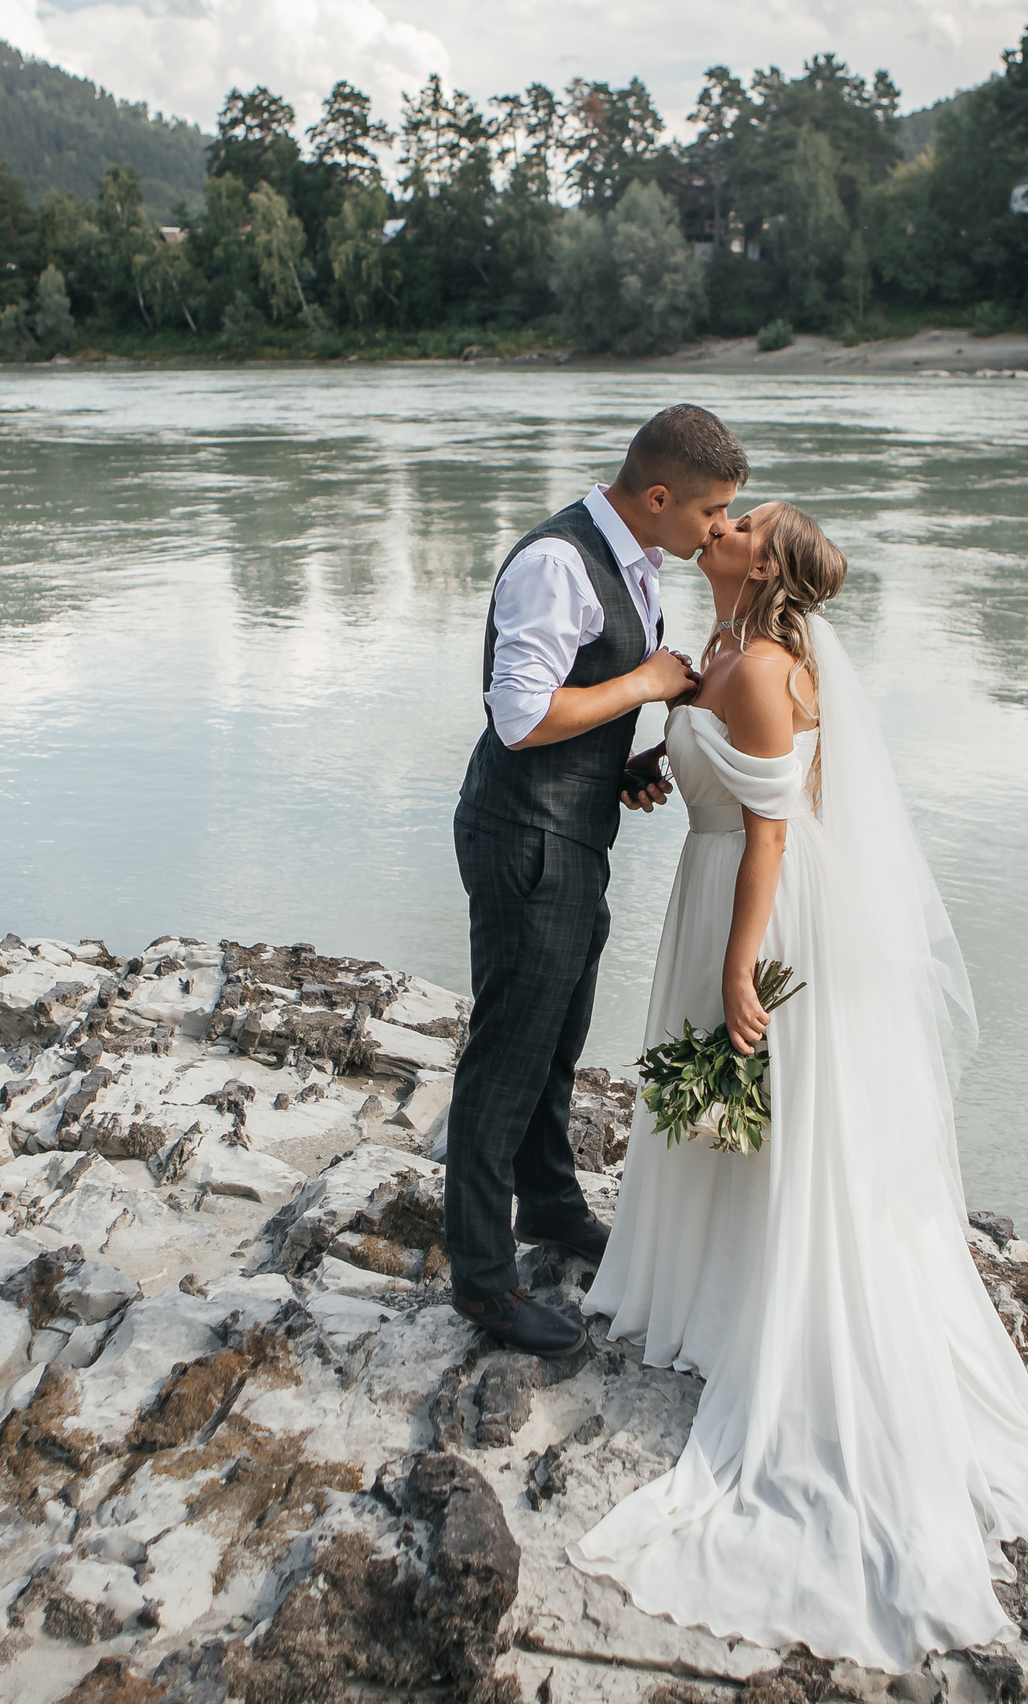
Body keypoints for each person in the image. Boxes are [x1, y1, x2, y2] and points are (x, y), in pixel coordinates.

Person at [573, 501, 1028, 1670]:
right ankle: (708, 1288)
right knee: (724, 1110)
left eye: (740, 523)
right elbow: (719, 775)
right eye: (724, 512)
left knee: (756, 1097)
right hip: (715, 883)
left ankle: (754, 1304)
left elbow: (773, 835)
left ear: (766, 567)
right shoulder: (725, 655)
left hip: (755, 907)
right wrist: (658, 756)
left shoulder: (763, 667)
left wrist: (741, 965)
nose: (721, 525)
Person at [445, 404, 749, 1357]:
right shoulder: (557, 563)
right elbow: (519, 716)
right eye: (714, 513)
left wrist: (621, 766)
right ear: (659, 497)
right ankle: (484, 1283)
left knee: (558, 1036)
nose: (718, 532)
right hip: (524, 838)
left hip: (573, 831)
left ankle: (550, 1205)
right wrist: (647, 687)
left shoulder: (636, 561)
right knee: (507, 1053)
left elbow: (579, 707)